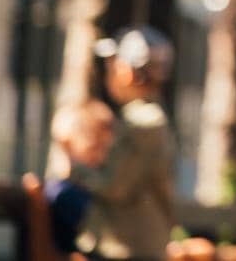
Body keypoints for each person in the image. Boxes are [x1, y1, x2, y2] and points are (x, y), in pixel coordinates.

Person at [68, 25, 178, 261]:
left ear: (128, 72)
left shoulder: (144, 122)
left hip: (130, 249)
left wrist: (78, 170)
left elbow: (115, 187)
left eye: (113, 65)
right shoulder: (143, 119)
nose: (108, 72)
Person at [45, 99, 116, 254]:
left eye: (106, 149)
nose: (101, 157)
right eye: (95, 147)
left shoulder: (81, 190)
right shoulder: (64, 193)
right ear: (67, 145)